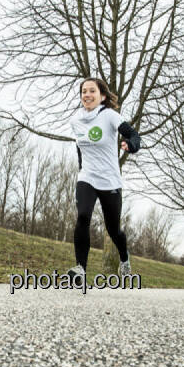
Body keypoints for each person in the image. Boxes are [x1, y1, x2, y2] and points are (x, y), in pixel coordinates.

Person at [67, 77, 141, 281]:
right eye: (84, 91)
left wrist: (130, 145)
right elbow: (81, 148)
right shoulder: (75, 121)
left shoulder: (109, 116)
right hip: (87, 177)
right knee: (83, 216)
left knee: (113, 229)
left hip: (110, 181)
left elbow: (133, 135)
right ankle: (80, 268)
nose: (87, 95)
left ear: (102, 96)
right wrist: (83, 171)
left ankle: (124, 258)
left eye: (92, 91)